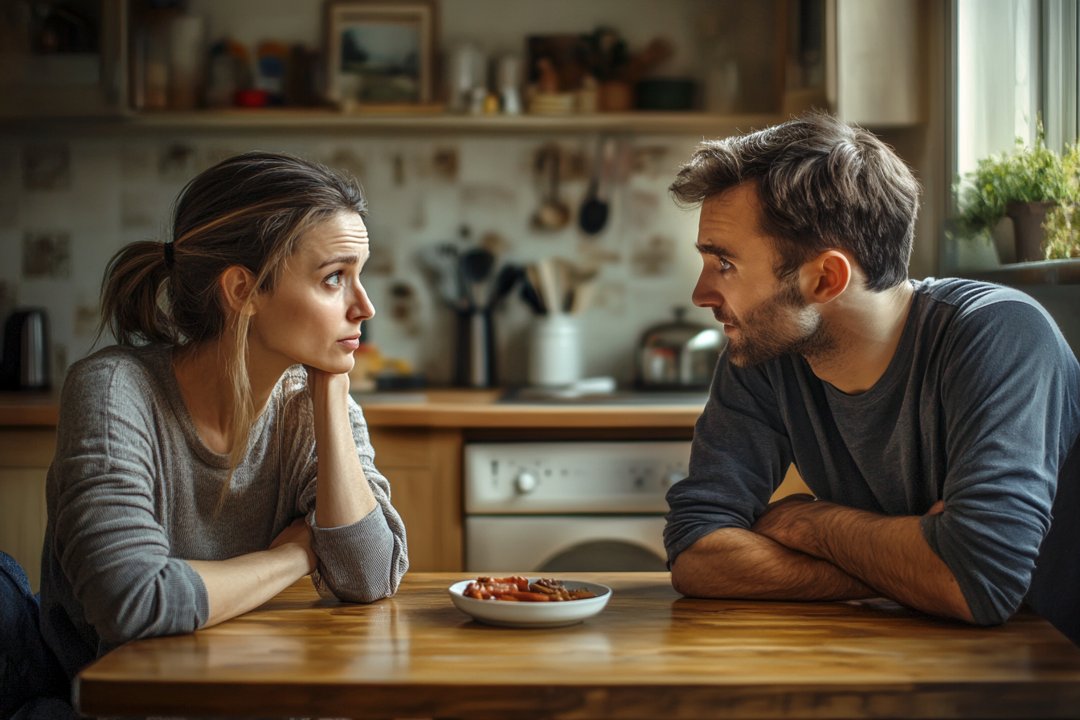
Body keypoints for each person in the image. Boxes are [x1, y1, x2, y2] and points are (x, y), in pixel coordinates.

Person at [1, 151, 409, 718]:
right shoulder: (114, 390)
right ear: (243, 290)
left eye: (359, 276)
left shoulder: (312, 403)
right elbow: (133, 601)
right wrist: (296, 553)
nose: (364, 306)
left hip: (246, 688)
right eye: (334, 278)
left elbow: (368, 575)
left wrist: (330, 395)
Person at [663, 111, 1080, 645]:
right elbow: (696, 552)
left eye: (724, 264)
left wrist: (807, 526)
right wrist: (917, 561)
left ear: (827, 278)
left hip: (1046, 668)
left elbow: (981, 582)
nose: (701, 294)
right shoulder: (765, 351)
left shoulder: (1000, 333)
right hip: (917, 653)